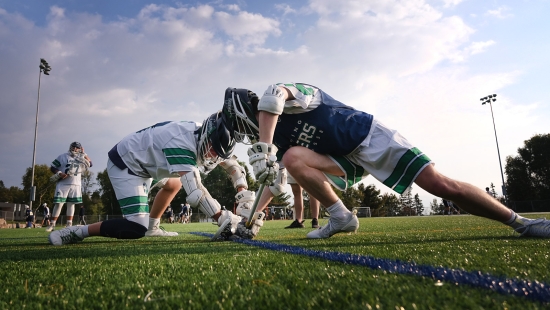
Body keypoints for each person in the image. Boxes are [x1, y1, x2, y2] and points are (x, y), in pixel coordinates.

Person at [221, 84, 550, 239]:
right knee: (291, 158)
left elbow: (274, 96)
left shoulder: (282, 96)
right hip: (339, 159)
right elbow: (276, 175)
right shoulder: (276, 139)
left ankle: (521, 222)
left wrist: (264, 144)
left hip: (368, 138)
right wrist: (251, 219)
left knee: (440, 185)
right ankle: (340, 218)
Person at [48, 112, 262, 246]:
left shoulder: (209, 134)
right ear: (207, 136)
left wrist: (244, 197)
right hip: (128, 164)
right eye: (212, 150)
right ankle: (77, 232)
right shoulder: (182, 143)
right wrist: (226, 219)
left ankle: (154, 227)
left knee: (174, 182)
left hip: (149, 162)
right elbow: (196, 192)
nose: (212, 156)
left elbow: (234, 167)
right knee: (135, 228)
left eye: (218, 153)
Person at [45, 142, 92, 232]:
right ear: (70, 147)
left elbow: (90, 163)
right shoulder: (63, 156)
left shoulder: (81, 157)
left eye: (77, 148)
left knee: (71, 204)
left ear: (80, 149)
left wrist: (84, 154)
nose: (75, 149)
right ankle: (52, 224)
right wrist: (59, 173)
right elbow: (53, 167)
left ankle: (69, 224)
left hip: (76, 183)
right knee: (59, 204)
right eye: (73, 147)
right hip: (63, 183)